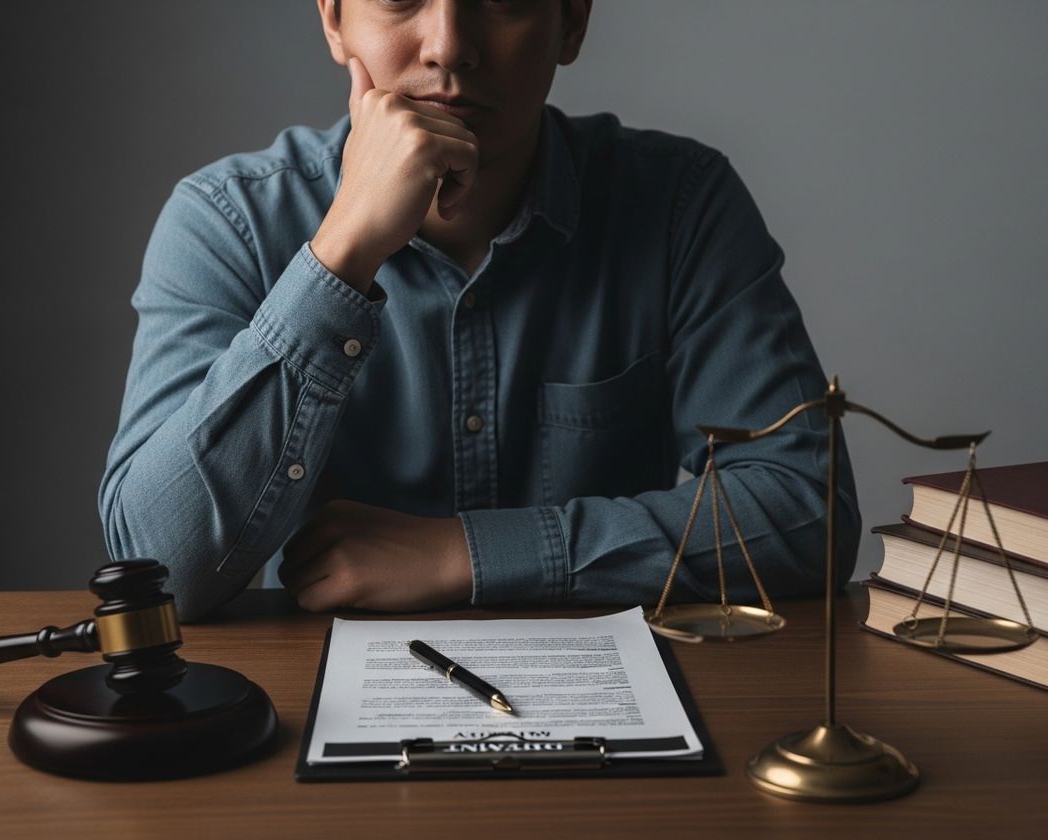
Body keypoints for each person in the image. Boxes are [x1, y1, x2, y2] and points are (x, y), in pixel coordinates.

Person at [99, 0, 860, 623]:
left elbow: (807, 514)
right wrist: (341, 253)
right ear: (334, 19)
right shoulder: (228, 220)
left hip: (621, 725)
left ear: (571, 22)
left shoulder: (681, 205)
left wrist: (463, 553)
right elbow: (160, 570)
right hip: (324, 724)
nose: (449, 46)